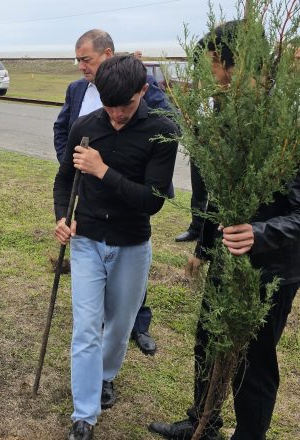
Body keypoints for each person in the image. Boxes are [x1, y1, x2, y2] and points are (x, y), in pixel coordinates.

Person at [149, 21, 300, 440]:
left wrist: (260, 233)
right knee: (208, 337)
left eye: (212, 65)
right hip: (225, 254)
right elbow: (224, 189)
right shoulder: (225, 106)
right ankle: (203, 421)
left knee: (255, 361)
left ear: (235, 63)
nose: (208, 77)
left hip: (271, 267)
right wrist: (205, 244)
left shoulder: (289, 117)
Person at [53, 55, 178, 440]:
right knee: (86, 328)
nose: (116, 113)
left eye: (123, 105)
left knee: (119, 327)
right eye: (108, 105)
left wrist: (102, 170)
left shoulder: (161, 132)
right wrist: (62, 217)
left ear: (143, 91)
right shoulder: (85, 127)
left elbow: (152, 201)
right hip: (87, 241)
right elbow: (62, 181)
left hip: (132, 244)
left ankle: (106, 375)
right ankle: (84, 415)